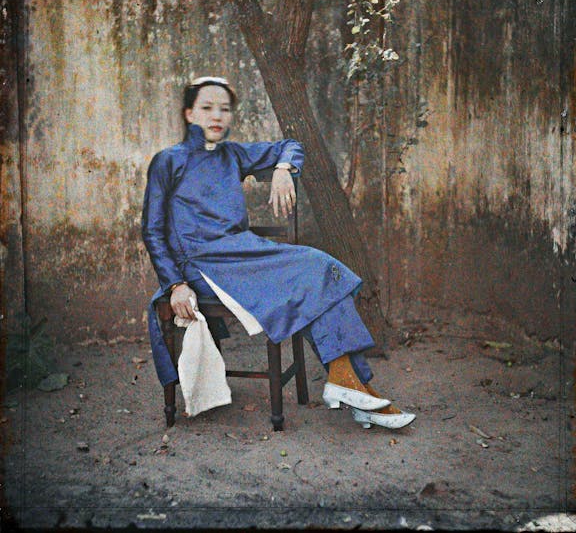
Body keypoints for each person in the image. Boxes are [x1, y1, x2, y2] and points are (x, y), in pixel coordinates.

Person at [143, 76, 413, 430]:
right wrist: (176, 283)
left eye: (224, 109)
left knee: (321, 273)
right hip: (204, 268)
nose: (217, 116)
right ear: (189, 113)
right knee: (317, 270)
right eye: (207, 108)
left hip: (245, 257)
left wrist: (284, 169)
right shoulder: (168, 161)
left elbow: (291, 144)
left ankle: (352, 384)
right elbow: (152, 229)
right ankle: (352, 385)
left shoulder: (233, 154)